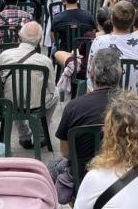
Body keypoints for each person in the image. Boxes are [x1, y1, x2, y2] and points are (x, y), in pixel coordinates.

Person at [51, 48, 121, 191]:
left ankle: (77, 205)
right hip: (123, 175)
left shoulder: (74, 107)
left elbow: (65, 152)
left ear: (92, 73)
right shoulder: (136, 106)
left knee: (54, 167)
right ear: (119, 74)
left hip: (83, 175)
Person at [0, 22, 58, 151]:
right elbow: (51, 89)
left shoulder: (5, 55)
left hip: (11, 103)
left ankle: (24, 134)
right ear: (40, 40)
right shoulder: (45, 61)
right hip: (36, 105)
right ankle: (41, 133)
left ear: (20, 35)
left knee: (14, 92)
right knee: (56, 94)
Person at [88, 2, 138, 92]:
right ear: (133, 21)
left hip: (105, 98)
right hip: (134, 98)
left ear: (111, 19)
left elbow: (90, 74)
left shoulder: (99, 41)